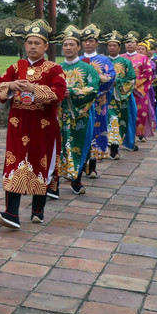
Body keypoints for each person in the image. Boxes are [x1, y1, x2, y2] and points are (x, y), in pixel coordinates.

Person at [0, 19, 67, 229]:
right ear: (24, 45)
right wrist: (11, 85)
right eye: (29, 43)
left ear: (46, 46)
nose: (33, 47)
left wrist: (34, 89)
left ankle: (37, 210)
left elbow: (59, 94)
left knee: (40, 161)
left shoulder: (54, 69)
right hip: (18, 123)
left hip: (43, 125)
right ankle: (11, 213)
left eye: (37, 43)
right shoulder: (16, 67)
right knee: (14, 162)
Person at [56, 25, 100, 196]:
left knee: (79, 145)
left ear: (79, 47)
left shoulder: (88, 69)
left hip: (80, 114)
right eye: (65, 45)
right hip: (59, 114)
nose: (68, 48)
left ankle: (77, 179)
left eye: (71, 45)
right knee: (58, 146)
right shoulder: (56, 68)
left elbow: (93, 88)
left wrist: (73, 92)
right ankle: (55, 181)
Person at [80, 24, 115, 178]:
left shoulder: (104, 60)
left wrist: (94, 89)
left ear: (97, 43)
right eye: (85, 41)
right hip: (79, 103)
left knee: (95, 131)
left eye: (91, 41)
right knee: (80, 131)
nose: (88, 43)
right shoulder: (78, 60)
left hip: (98, 102)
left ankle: (92, 166)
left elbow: (110, 77)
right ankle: (79, 166)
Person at [102, 30, 137, 158]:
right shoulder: (103, 61)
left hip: (120, 98)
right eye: (110, 45)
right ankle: (112, 148)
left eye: (114, 45)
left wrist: (118, 82)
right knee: (109, 121)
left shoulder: (125, 62)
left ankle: (114, 147)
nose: (112, 47)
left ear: (119, 47)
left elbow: (132, 79)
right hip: (104, 98)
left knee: (118, 121)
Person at [125, 34, 156, 143]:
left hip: (138, 91)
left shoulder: (143, 58)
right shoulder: (121, 58)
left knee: (140, 112)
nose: (129, 44)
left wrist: (133, 84)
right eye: (127, 42)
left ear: (136, 44)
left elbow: (148, 74)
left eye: (132, 42)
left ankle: (139, 133)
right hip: (122, 91)